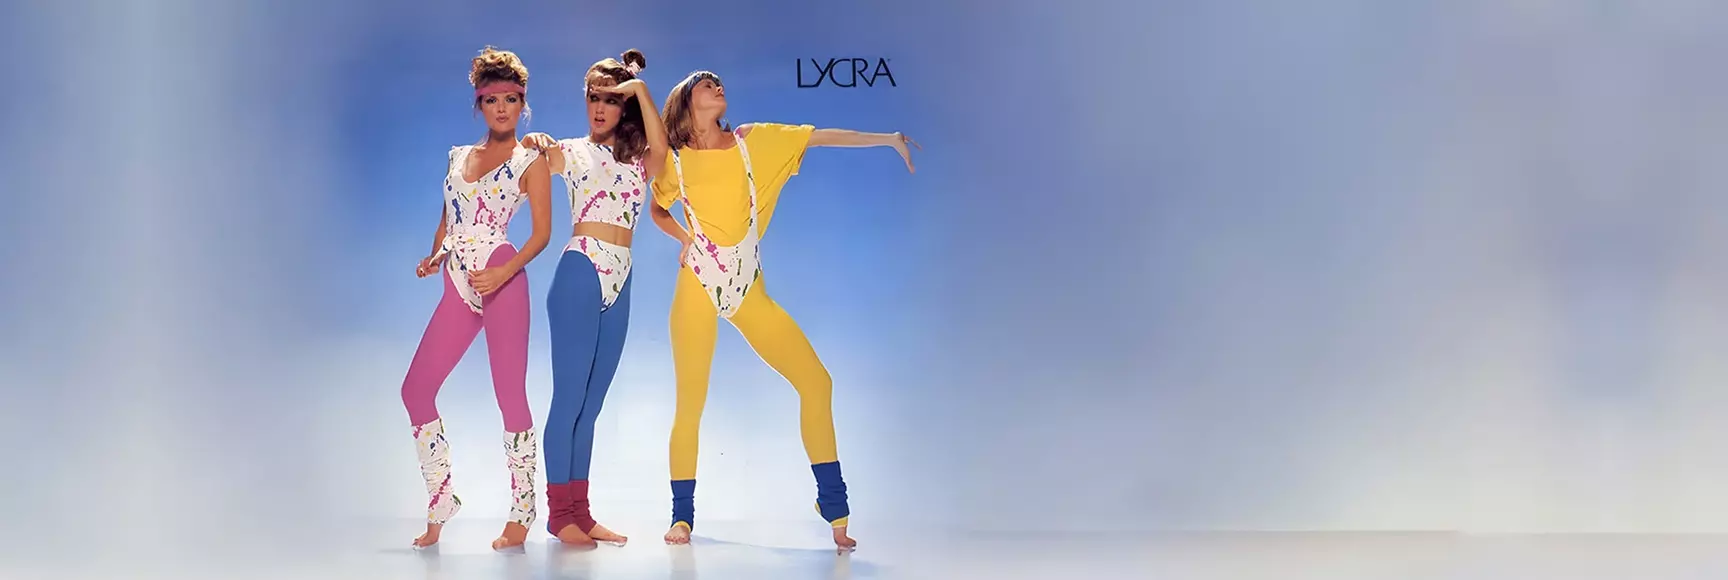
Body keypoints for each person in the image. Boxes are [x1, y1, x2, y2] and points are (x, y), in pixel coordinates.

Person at [648, 69, 919, 553]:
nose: (717, 85)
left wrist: (889, 139)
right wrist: (686, 240)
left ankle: (833, 508)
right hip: (698, 287)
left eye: (718, 81)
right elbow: (658, 209)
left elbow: (819, 138)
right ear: (687, 102)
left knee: (818, 382)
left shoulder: (755, 141)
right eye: (705, 83)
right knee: (690, 404)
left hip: (749, 287)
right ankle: (682, 517)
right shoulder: (675, 160)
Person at [400, 46, 553, 551]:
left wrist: (505, 272)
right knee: (415, 390)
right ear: (479, 104)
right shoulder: (456, 157)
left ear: (522, 103)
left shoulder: (530, 160)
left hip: (502, 277)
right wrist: (435, 254)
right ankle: (441, 499)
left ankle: (523, 512)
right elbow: (449, 214)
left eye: (512, 99)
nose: (503, 108)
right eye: (493, 100)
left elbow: (541, 235)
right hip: (457, 283)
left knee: (509, 395)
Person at [518, 48, 666, 549]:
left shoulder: (641, 160)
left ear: (625, 106)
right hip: (581, 268)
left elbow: (663, 153)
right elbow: (538, 160)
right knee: (568, 401)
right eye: (592, 98)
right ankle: (560, 517)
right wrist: (536, 143)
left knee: (592, 406)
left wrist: (641, 91)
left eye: (610, 99)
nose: (599, 108)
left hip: (621, 277)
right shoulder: (572, 149)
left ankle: (580, 511)